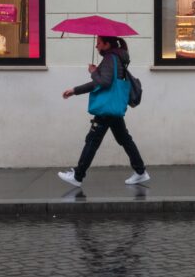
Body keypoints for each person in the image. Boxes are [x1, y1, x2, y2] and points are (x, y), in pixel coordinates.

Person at [59, 36, 150, 187]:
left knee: (92, 141)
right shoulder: (118, 57)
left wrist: (92, 73)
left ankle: (78, 175)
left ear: (107, 44)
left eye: (99, 43)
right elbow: (107, 80)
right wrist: (81, 85)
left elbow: (104, 82)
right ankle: (140, 172)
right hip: (113, 107)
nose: (97, 47)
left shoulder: (110, 58)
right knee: (124, 139)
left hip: (106, 108)